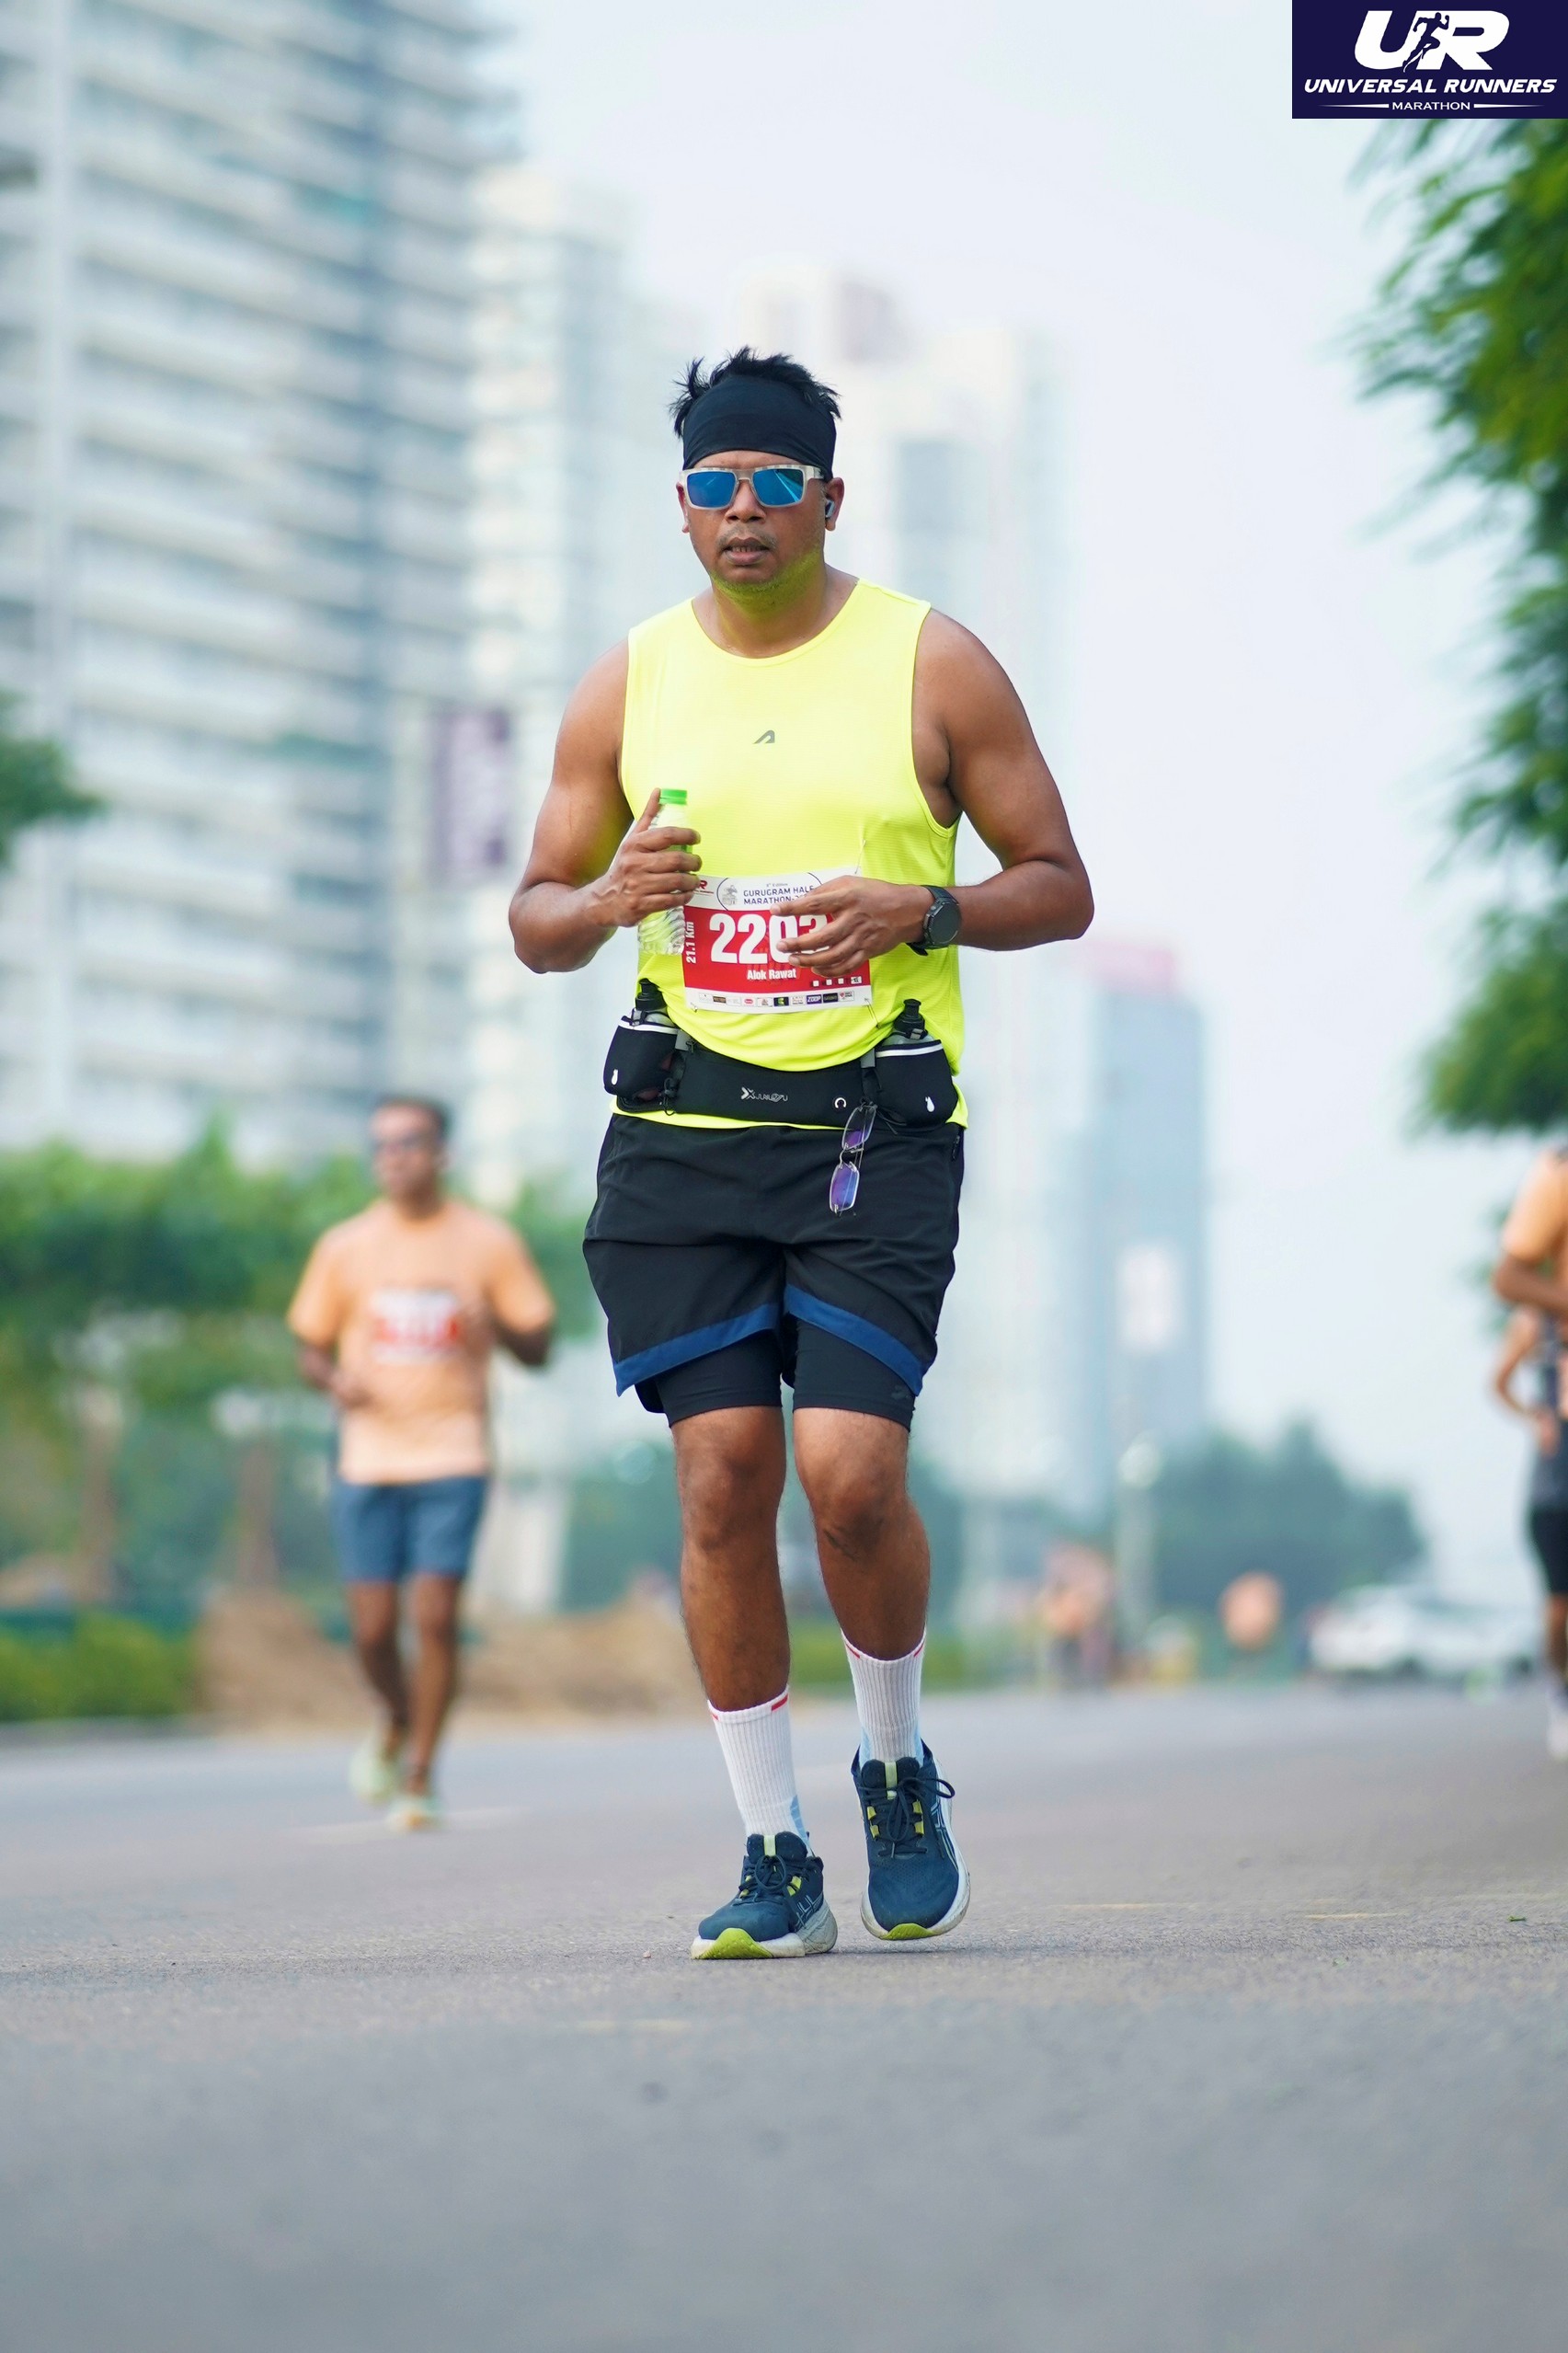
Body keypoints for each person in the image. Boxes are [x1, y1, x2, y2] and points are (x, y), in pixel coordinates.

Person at [509, 346, 1093, 1957]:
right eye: (717, 485)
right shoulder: (628, 683)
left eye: (776, 483)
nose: (745, 510)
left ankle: (894, 1763)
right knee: (720, 1479)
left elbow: (1060, 881)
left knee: (850, 1477)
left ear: (831, 499)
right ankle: (774, 1849)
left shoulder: (933, 664)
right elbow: (535, 917)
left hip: (870, 1134)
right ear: (682, 506)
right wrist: (607, 897)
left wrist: (930, 905)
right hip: (681, 1137)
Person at [289, 1095, 555, 1828]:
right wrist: (333, 1380)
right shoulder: (345, 1246)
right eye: (381, 1145)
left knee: (435, 1617)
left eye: (409, 1142)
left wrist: (493, 1323)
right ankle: (397, 1716)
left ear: (441, 1152)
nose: (394, 1157)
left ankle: (419, 1775)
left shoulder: (487, 1242)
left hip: (453, 1451)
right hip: (367, 1456)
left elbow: (538, 1346)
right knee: (373, 1630)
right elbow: (309, 1347)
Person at [1492, 1146, 1568, 1757]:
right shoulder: (1559, 1172)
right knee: (1558, 1605)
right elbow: (1507, 1275)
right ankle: (1561, 1692)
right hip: (1560, 1450)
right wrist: (1532, 1416)